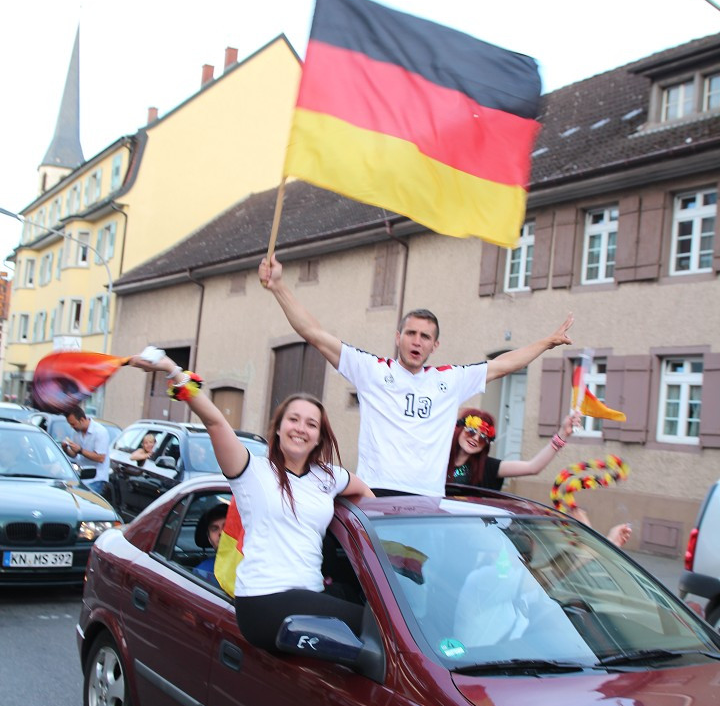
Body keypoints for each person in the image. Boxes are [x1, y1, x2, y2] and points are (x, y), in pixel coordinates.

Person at [259, 254, 574, 496]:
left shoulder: (449, 381)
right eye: (410, 333)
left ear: (435, 345)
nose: (416, 341)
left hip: (426, 499)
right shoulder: (371, 371)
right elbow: (313, 333)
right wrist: (278, 287)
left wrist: (547, 342)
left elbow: (504, 365)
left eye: (425, 336)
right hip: (375, 492)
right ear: (398, 337)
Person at [129, 348, 374, 652]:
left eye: (311, 424)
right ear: (279, 427)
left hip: (308, 599)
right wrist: (170, 369)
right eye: (293, 419)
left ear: (320, 436)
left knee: (360, 606)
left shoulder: (328, 477)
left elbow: (366, 493)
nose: (301, 428)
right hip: (264, 602)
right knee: (374, 627)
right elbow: (215, 421)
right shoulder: (251, 470)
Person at [447, 408, 581, 491]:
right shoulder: (437, 457)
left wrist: (563, 433)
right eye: (471, 431)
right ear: (459, 429)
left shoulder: (489, 467)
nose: (476, 438)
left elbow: (532, 467)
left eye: (483, 437)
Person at [61, 406, 111, 499]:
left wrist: (80, 450)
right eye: (70, 424)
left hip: (96, 478)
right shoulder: (76, 432)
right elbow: (74, 454)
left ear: (82, 419)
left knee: (85, 500)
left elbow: (100, 458)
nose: (72, 427)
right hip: (80, 477)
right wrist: (66, 449)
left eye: (73, 424)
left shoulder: (100, 432)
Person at [192, 501, 228, 588]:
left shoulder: (254, 563)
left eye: (226, 526)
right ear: (209, 539)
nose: (221, 533)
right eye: (215, 529)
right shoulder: (201, 573)